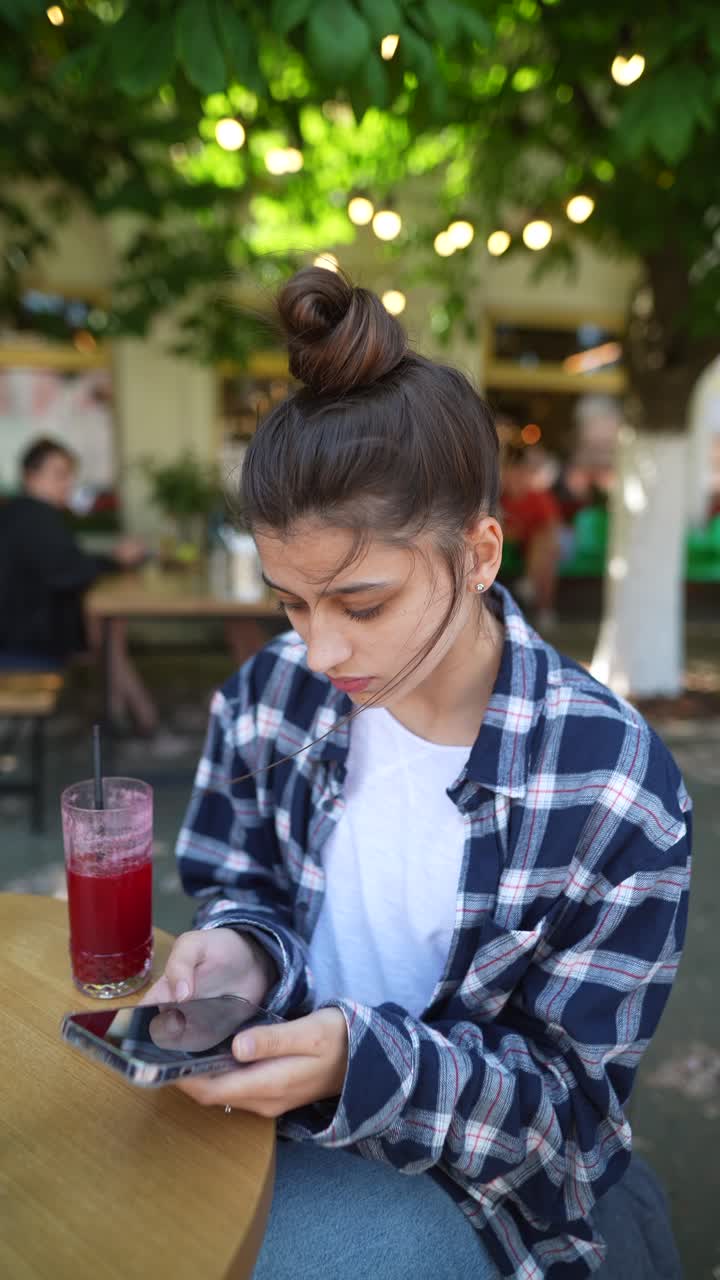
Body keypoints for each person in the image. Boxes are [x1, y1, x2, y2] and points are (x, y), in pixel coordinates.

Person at [145, 269, 690, 1280]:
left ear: (480, 552)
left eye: (362, 601)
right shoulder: (272, 695)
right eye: (292, 603)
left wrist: (362, 1062)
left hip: (480, 1191)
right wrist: (237, 953)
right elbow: (242, 879)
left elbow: (566, 1113)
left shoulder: (614, 786)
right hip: (262, 1116)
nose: (320, 650)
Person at [0, 437, 157, 734]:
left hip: (17, 628)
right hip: (24, 639)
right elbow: (69, 573)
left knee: (108, 626)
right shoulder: (37, 517)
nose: (68, 482)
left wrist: (111, 560)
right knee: (107, 627)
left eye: (70, 473)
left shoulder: (22, 514)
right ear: (30, 476)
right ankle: (127, 715)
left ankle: (127, 712)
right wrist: (117, 559)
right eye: (59, 474)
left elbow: (66, 565)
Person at [501, 442, 563, 630]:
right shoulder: (500, 498)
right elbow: (504, 530)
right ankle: (545, 610)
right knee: (545, 553)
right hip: (521, 548)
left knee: (545, 546)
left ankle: (531, 583)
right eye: (512, 474)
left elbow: (552, 527)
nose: (516, 479)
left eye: (520, 474)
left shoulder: (538, 497)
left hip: (549, 544)